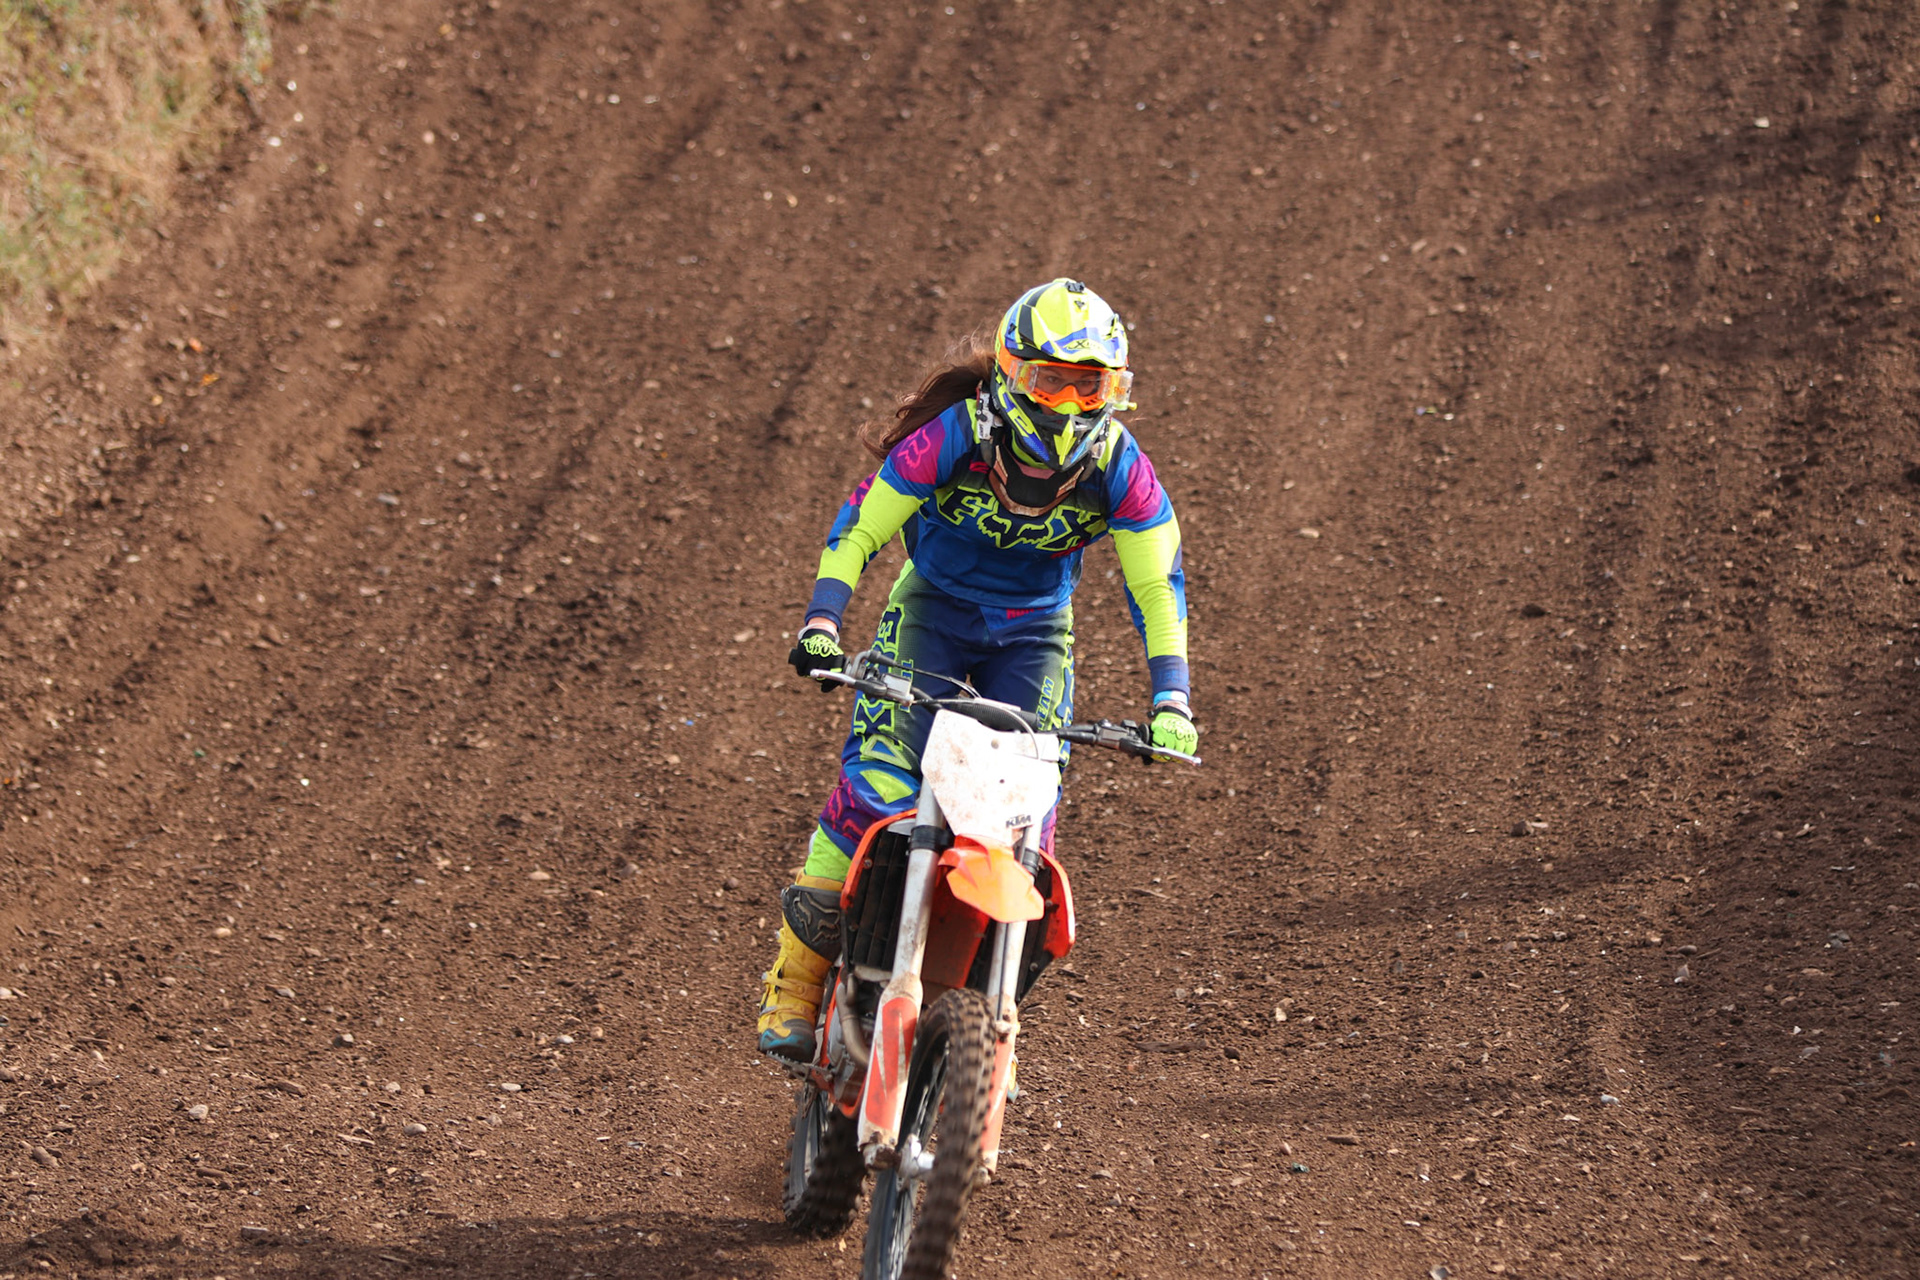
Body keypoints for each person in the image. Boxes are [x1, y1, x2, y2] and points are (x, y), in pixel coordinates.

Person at [756, 278, 1196, 1068]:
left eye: (1090, 386)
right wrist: (822, 622)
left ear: (1117, 391)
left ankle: (994, 1028)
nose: (1068, 406)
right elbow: (860, 526)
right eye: (1050, 381)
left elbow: (1155, 586)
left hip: (1033, 641)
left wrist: (1173, 699)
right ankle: (794, 987)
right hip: (931, 616)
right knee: (876, 785)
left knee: (1026, 830)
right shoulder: (956, 436)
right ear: (1011, 373)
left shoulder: (1119, 466)